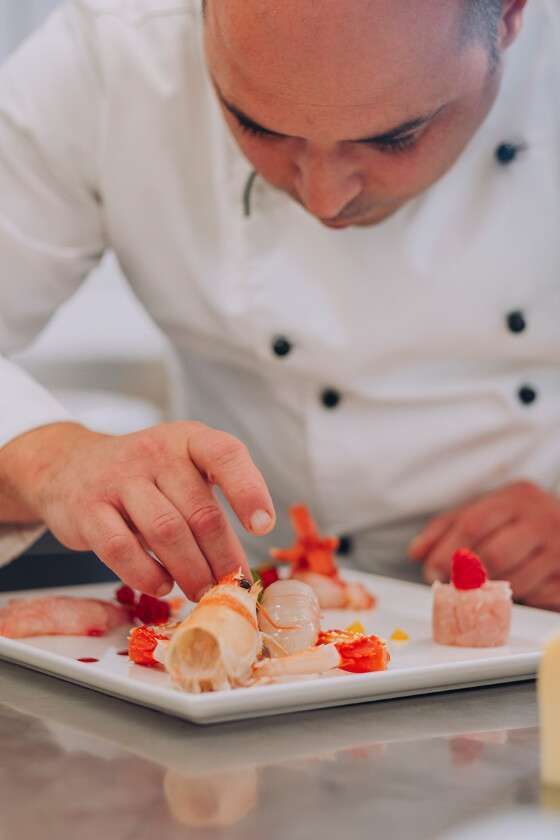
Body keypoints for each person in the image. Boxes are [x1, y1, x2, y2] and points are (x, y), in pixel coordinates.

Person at [0, 0, 558, 610]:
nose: (323, 201)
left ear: (510, 15)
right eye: (257, 127)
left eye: (394, 138)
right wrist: (51, 459)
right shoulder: (116, 51)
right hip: (244, 613)